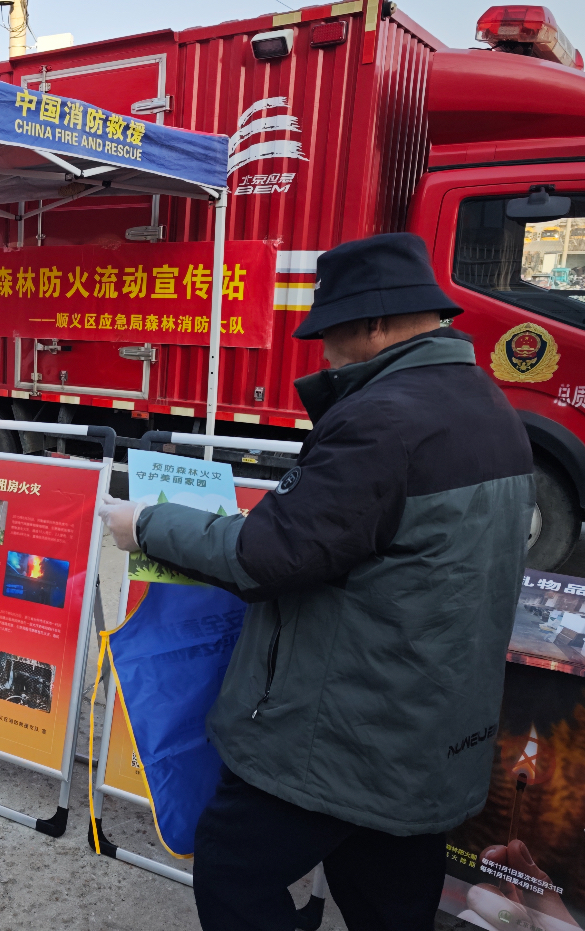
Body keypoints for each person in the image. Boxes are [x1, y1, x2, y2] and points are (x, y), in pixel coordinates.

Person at [98, 233, 536, 931]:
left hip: (342, 732)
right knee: (387, 894)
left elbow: (268, 555)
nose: (321, 351)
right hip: (429, 729)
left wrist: (147, 524)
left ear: (376, 323)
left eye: (329, 333)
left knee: (234, 867)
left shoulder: (383, 420)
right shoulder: (488, 405)